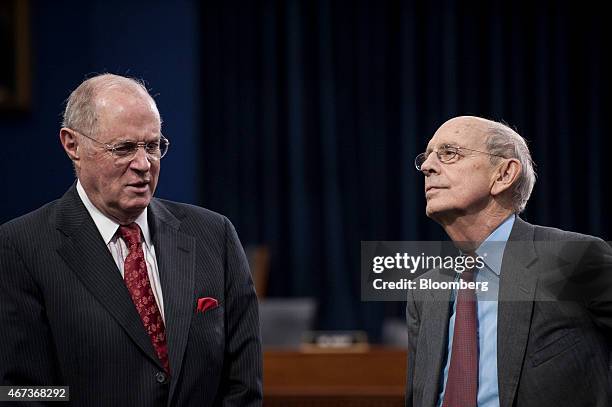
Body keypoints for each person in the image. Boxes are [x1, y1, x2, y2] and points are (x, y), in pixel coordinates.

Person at [0, 74, 262, 406]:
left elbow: (242, 387)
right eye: (123, 148)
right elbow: (21, 392)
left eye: (152, 146)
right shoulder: (20, 247)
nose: (143, 164)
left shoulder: (214, 235)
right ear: (72, 145)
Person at [406, 116, 611, 407]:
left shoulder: (575, 258)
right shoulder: (424, 289)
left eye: (449, 153)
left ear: (503, 174)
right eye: (426, 158)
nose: (427, 167)